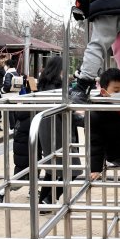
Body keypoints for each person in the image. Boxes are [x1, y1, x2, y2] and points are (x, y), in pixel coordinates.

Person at [36, 56, 84, 210]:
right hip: (58, 130)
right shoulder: (58, 87)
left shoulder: (44, 85)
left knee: (52, 169)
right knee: (73, 169)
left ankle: (43, 204)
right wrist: (85, 118)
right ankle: (49, 199)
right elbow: (65, 112)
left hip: (47, 129)